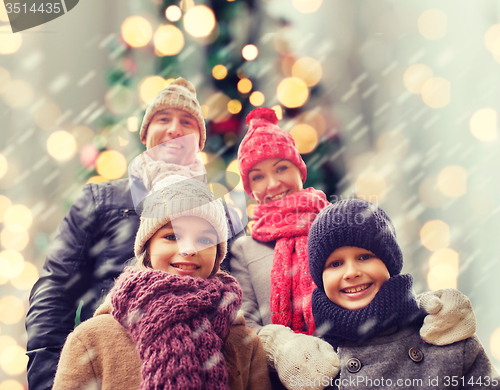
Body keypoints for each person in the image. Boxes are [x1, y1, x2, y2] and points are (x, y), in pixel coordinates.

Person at [229, 107, 478, 390]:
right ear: (249, 186)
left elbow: (385, 284)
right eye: (258, 176)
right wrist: (283, 347)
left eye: (281, 168)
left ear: (299, 169)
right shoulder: (244, 249)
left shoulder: (336, 224)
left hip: (355, 358)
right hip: (289, 380)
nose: (273, 183)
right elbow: (245, 325)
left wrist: (432, 310)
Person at [26, 77, 243, 390]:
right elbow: (55, 289)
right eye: (163, 119)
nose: (174, 130)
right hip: (111, 368)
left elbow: (237, 300)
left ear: (200, 141)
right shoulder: (101, 201)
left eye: (187, 122)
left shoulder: (223, 216)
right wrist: (54, 380)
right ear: (145, 134)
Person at [52, 175, 271, 390]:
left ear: (217, 256)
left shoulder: (245, 343)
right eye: (172, 236)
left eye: (205, 239)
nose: (188, 249)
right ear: (147, 249)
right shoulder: (92, 339)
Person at [307, 198, 499, 389]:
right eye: (335, 264)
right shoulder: (314, 362)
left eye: (364, 257)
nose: (351, 272)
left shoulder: (445, 335)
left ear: (390, 264)